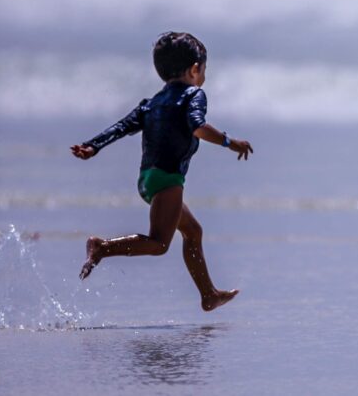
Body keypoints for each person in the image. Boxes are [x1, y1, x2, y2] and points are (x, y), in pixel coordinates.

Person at [70, 32, 253, 312]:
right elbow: (197, 126)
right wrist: (230, 142)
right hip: (168, 180)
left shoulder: (151, 102)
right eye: (204, 70)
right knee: (158, 243)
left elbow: (121, 127)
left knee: (192, 231)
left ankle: (209, 295)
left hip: (148, 180)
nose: (204, 76)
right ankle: (102, 247)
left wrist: (92, 146)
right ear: (195, 69)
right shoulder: (194, 94)